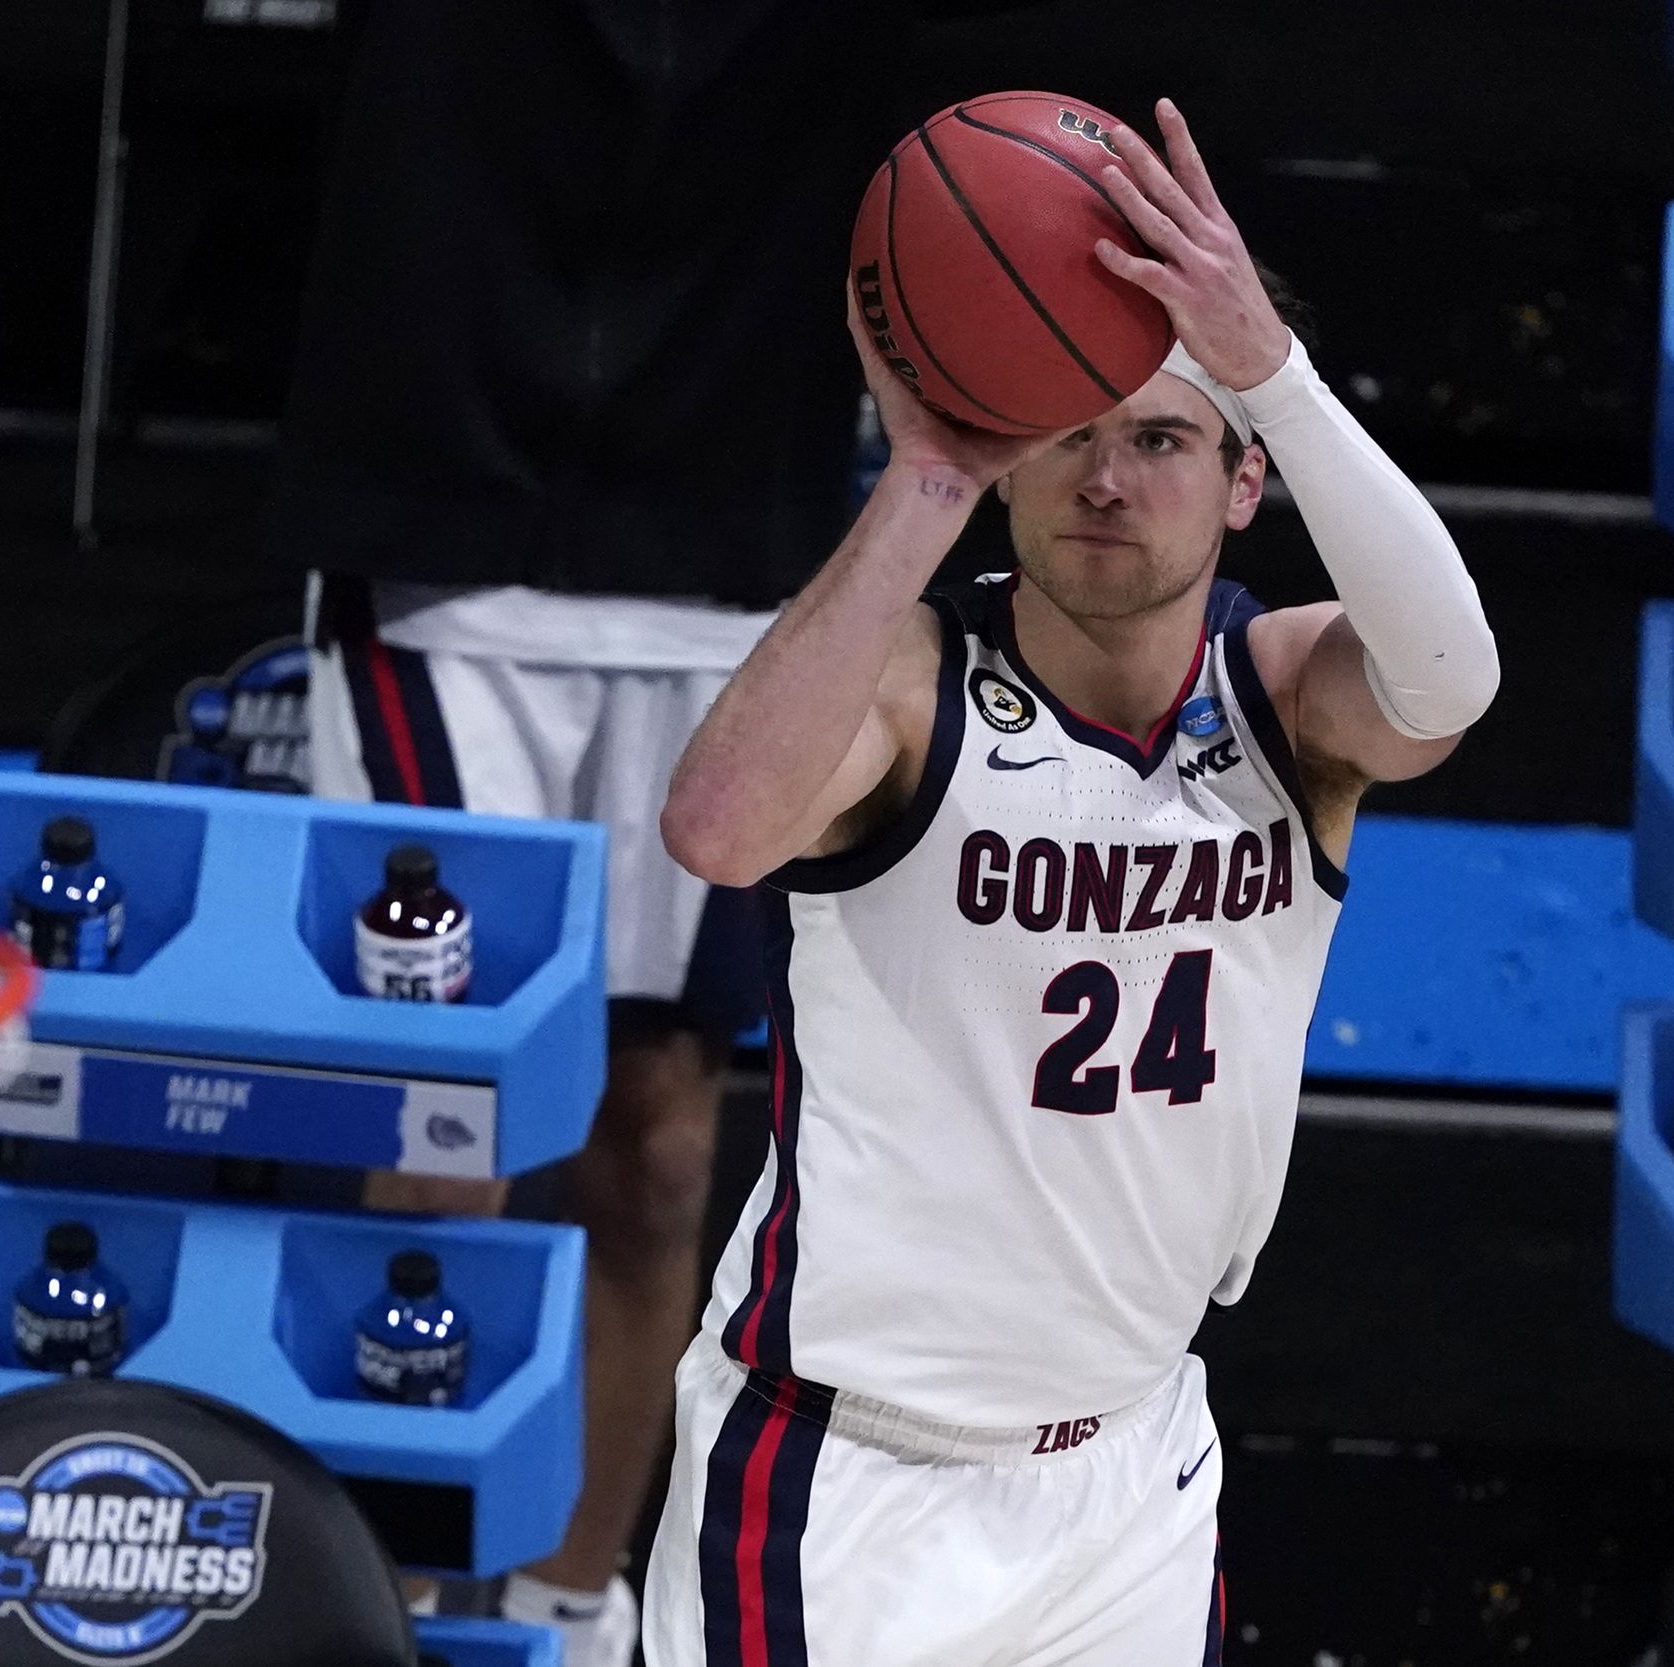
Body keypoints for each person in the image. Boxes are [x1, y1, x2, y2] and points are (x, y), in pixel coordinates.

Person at [641, 100, 1500, 1666]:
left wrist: (1277, 377)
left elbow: (1451, 683)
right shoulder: (906, 683)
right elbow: (715, 829)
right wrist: (920, 477)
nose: (1108, 480)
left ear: (1245, 483)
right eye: (1070, 433)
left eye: (1163, 437)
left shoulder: (1290, 698)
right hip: (847, 1474)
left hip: (1131, 1471)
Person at [272, 5, 928, 1660]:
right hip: (446, 559)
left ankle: (571, 1621)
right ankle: (397, 1613)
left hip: (728, 562)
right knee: (446, 1135)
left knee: (655, 1149)